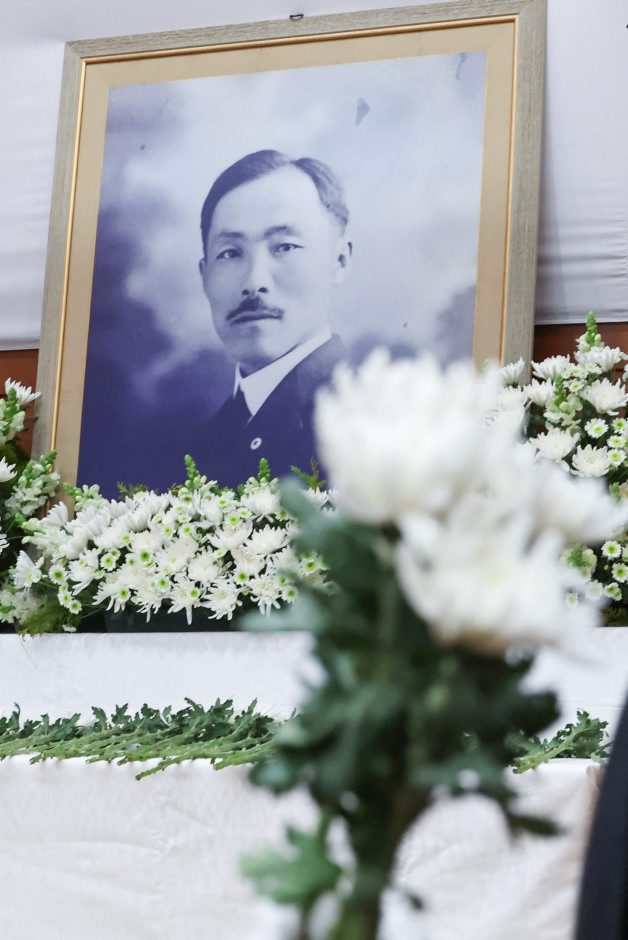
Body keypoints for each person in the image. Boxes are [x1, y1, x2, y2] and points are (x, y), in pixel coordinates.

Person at [193, 149, 352, 488]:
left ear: (339, 261)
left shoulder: (372, 421)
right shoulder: (200, 444)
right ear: (204, 275)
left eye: (285, 247)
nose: (254, 282)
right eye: (230, 253)